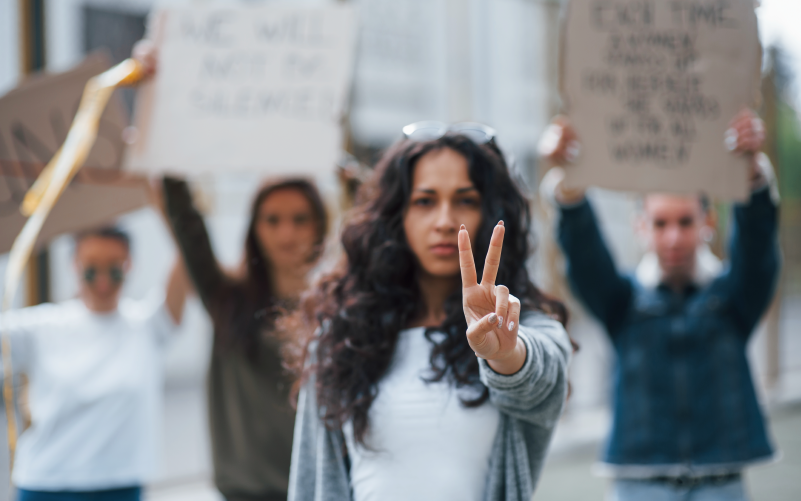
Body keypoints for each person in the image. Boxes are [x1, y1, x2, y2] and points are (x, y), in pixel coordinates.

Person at [285, 124, 573, 501]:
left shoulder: (520, 327)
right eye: (424, 201)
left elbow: (541, 374)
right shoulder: (342, 337)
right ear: (396, 215)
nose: (444, 221)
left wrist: (506, 356)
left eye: (465, 200)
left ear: (490, 213)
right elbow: (309, 484)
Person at [539, 109, 780, 501]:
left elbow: (757, 248)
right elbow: (584, 255)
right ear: (640, 227)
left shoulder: (733, 298)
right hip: (639, 483)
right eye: (660, 223)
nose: (673, 237)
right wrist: (570, 182)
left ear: (708, 223)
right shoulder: (623, 301)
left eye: (685, 221)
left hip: (721, 482)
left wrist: (751, 171)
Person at [161, 176, 328, 501]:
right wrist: (169, 163)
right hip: (243, 493)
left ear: (319, 226)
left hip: (315, 490)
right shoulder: (227, 301)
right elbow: (188, 226)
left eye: (300, 219)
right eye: (272, 220)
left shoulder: (335, 309)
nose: (286, 233)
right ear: (254, 229)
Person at [1, 226, 190, 501]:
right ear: (75, 265)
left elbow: (187, 258)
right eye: (91, 269)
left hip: (119, 483)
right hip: (45, 483)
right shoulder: (43, 327)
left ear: (129, 265)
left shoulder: (148, 325)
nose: (103, 281)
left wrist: (170, 210)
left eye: (114, 269)